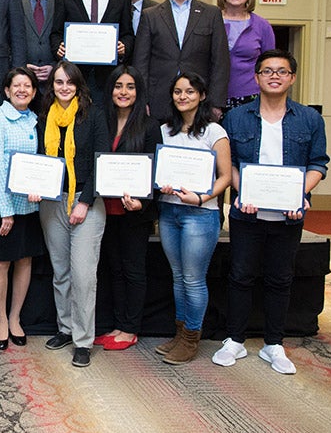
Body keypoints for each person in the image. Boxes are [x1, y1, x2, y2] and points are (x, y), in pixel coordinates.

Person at [214, 50, 328, 374]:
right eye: (267, 71)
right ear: (256, 77)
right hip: (246, 213)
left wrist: (299, 194)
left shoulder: (309, 119)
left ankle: (273, 344)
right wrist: (243, 191)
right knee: (240, 276)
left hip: (289, 216)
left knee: (280, 279)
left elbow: (319, 164)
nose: (274, 76)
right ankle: (234, 340)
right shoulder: (236, 118)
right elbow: (229, 163)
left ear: (292, 77)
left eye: (281, 71)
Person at [154, 72, 232, 365]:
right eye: (177, 91)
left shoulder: (214, 132)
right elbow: (157, 170)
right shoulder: (164, 131)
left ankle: (191, 339)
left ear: (201, 95)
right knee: (177, 276)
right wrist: (159, 184)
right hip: (169, 209)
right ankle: (179, 333)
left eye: (189, 91)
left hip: (200, 213)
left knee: (193, 278)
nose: (182, 96)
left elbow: (225, 177)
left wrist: (201, 197)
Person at [37, 62, 110, 368]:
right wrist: (35, 185)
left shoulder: (92, 115)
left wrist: (86, 201)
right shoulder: (45, 117)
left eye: (69, 82)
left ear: (78, 85)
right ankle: (65, 328)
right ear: (51, 86)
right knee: (61, 270)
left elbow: (101, 160)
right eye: (58, 82)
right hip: (53, 200)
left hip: (85, 201)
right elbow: (39, 160)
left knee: (83, 275)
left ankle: (83, 340)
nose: (63, 87)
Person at [95, 65, 161, 351]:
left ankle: (130, 329)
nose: (124, 92)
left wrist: (142, 202)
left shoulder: (149, 126)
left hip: (134, 211)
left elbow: (154, 170)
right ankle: (117, 324)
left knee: (133, 270)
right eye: (119, 86)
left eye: (130, 87)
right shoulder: (101, 122)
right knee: (113, 269)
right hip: (104, 208)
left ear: (138, 91)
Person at [0, 66, 44, 351]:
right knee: (1, 262)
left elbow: (41, 164)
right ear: (6, 91)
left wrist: (41, 187)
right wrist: (6, 210)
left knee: (25, 260)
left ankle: (16, 317)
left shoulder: (35, 120)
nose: (22, 90)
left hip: (29, 207)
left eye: (27, 86)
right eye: (16, 86)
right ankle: (1, 320)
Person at [133, 0, 230, 123]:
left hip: (200, 102)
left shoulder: (211, 14)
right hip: (158, 101)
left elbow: (220, 62)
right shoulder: (150, 15)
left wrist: (216, 103)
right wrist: (143, 100)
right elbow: (141, 62)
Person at [217, 0, 276, 111]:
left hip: (250, 97)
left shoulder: (262, 26)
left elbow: (270, 65)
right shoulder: (210, 21)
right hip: (212, 97)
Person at [20, 0, 57, 87]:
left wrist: (55, 67)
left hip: (54, 86)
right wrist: (22, 66)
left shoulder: (62, 2)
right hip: (22, 83)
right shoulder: (13, 3)